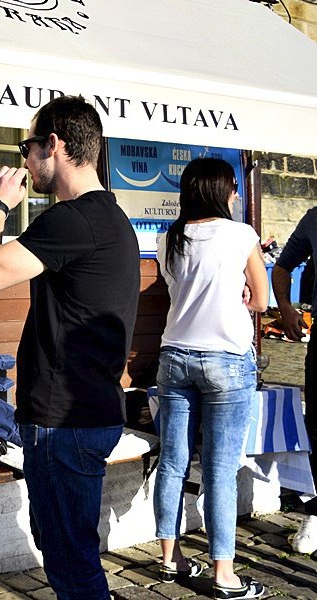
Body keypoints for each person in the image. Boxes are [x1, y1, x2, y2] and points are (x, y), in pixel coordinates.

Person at [0, 95, 139, 599]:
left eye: (27, 146)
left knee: (73, 566)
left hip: (65, 421)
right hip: (86, 413)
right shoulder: (110, 220)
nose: (23, 160)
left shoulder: (72, 220)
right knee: (65, 551)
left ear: (54, 146)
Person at [154, 158, 267, 599]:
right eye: (234, 188)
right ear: (225, 190)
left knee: (174, 461)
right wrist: (241, 292)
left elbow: (181, 293)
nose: (237, 194)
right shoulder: (240, 234)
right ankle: (224, 575)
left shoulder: (171, 237)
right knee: (220, 468)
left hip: (174, 357)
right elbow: (261, 299)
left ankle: (170, 557)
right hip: (226, 359)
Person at [273, 207, 317, 555]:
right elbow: (283, 264)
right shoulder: (315, 217)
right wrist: (285, 306)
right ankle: (316, 513)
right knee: (316, 427)